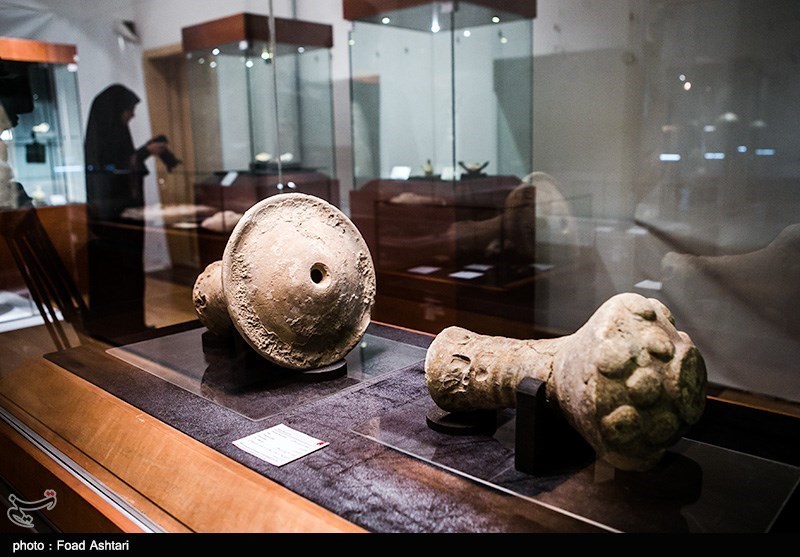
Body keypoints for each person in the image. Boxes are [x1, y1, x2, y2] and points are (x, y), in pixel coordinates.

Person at [83, 84, 168, 341]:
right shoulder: (106, 136)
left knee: (128, 271)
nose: (132, 115)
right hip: (115, 218)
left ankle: (130, 324)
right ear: (116, 110)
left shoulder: (112, 133)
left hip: (119, 216)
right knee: (118, 272)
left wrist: (141, 153)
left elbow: (122, 164)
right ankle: (118, 327)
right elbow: (115, 172)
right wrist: (143, 153)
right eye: (129, 109)